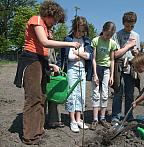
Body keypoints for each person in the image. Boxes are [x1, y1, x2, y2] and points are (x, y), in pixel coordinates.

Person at [13, 1, 80, 145]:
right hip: (31, 62)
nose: (54, 23)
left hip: (40, 62)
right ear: (49, 14)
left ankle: (38, 131)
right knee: (33, 98)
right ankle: (30, 137)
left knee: (42, 97)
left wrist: (50, 64)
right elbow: (44, 43)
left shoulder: (45, 26)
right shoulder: (36, 19)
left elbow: (41, 50)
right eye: (55, 20)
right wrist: (70, 44)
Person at [57, 16, 93, 133]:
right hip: (71, 70)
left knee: (81, 94)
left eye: (83, 31)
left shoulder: (86, 40)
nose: (81, 33)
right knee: (72, 93)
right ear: (74, 28)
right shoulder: (68, 39)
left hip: (82, 70)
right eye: (79, 30)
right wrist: (81, 54)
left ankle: (79, 119)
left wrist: (78, 53)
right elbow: (68, 56)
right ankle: (72, 120)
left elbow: (89, 56)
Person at [111, 11, 140, 124]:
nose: (129, 28)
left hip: (131, 66)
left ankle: (129, 115)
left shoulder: (136, 35)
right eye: (127, 26)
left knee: (130, 93)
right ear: (123, 23)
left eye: (132, 26)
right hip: (119, 66)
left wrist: (135, 52)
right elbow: (115, 54)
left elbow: (136, 53)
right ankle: (115, 116)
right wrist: (128, 46)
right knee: (118, 92)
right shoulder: (117, 35)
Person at [89, 21, 118, 130]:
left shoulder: (112, 43)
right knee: (96, 93)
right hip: (97, 69)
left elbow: (112, 59)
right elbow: (94, 59)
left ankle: (103, 118)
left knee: (105, 93)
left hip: (106, 70)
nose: (108, 37)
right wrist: (95, 74)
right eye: (107, 34)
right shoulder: (95, 41)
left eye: (110, 35)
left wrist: (111, 75)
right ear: (103, 30)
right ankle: (95, 119)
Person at [46, 28, 64, 129]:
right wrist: (52, 65)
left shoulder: (52, 44)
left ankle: (54, 121)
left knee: (53, 96)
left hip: (52, 73)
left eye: (52, 30)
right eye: (49, 30)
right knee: (44, 97)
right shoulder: (43, 42)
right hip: (44, 72)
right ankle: (41, 121)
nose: (51, 32)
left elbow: (54, 59)